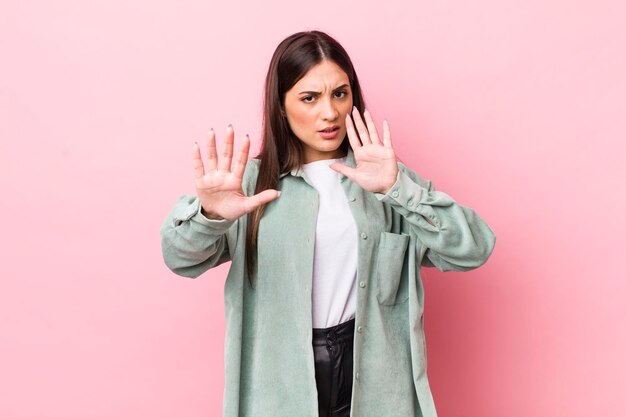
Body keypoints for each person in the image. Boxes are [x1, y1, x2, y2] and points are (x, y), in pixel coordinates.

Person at [160, 30, 496, 417]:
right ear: (281, 107)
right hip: (280, 381)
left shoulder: (384, 177)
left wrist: (396, 188)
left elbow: (474, 248)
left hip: (373, 378)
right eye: (309, 97)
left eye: (340, 93)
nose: (330, 112)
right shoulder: (250, 186)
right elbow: (179, 258)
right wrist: (212, 215)